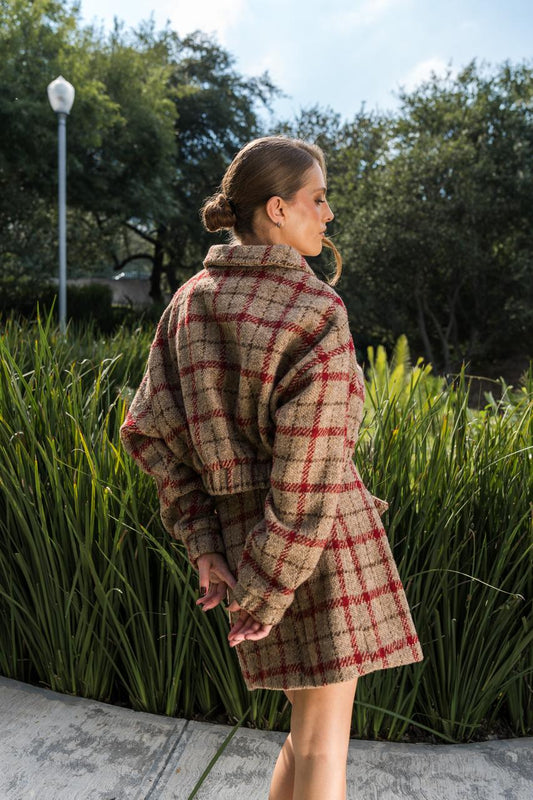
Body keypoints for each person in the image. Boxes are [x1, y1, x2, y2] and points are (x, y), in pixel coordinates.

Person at [119, 135, 424, 800]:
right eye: (318, 198)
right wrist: (272, 580)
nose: (328, 213)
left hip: (244, 543)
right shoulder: (313, 311)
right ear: (278, 209)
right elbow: (309, 471)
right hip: (312, 547)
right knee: (322, 744)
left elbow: (151, 436)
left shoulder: (188, 303)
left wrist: (207, 546)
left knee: (305, 731)